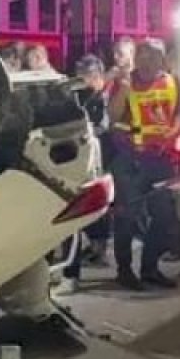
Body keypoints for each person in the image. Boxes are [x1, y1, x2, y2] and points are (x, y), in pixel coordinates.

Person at [105, 38, 180, 290]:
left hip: (159, 160)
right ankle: (124, 271)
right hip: (130, 161)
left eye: (152, 56)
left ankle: (150, 269)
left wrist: (172, 133)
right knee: (127, 218)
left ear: (161, 59)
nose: (146, 60)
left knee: (163, 217)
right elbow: (112, 116)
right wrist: (125, 88)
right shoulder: (125, 83)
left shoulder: (171, 82)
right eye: (142, 55)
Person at [58, 54, 114, 293]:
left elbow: (101, 128)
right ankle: (71, 272)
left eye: (87, 76)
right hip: (79, 168)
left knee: (88, 217)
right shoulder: (76, 98)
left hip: (97, 167)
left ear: (98, 76)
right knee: (74, 223)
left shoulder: (104, 98)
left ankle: (78, 268)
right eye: (80, 76)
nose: (83, 81)